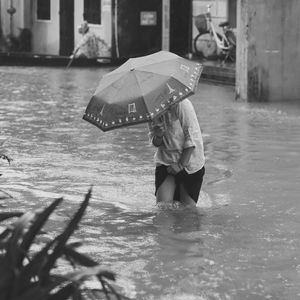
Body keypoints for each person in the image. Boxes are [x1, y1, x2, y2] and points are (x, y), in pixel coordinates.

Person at [148, 98, 205, 208]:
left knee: (188, 212)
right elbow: (155, 143)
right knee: (162, 209)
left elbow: (192, 135)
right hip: (166, 161)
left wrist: (180, 165)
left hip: (190, 162)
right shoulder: (149, 108)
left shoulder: (181, 103)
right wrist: (158, 135)